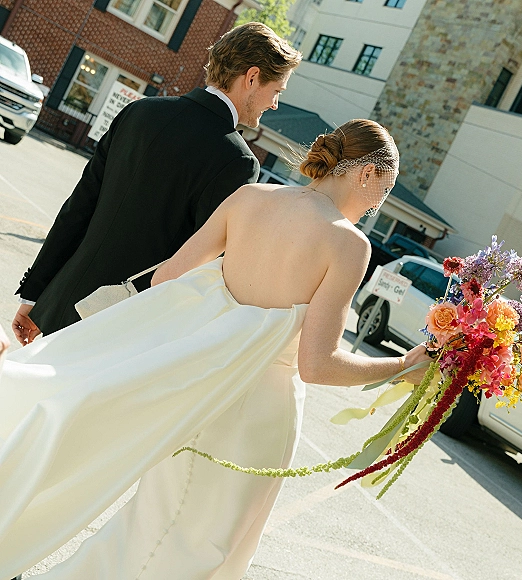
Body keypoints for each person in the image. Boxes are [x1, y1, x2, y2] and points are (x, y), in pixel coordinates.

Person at [0, 119, 432, 579]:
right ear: (366, 173)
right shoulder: (348, 244)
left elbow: (167, 279)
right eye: (382, 191)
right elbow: (317, 364)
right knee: (207, 546)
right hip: (258, 412)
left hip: (198, 388)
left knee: (158, 521)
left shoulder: (250, 198)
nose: (376, 206)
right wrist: (402, 365)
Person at [11, 21, 302, 344]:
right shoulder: (237, 162)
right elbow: (198, 269)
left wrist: (36, 295)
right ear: (251, 78)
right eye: (276, 91)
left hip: (62, 303)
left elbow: (78, 207)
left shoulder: (140, 111)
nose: (274, 104)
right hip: (126, 330)